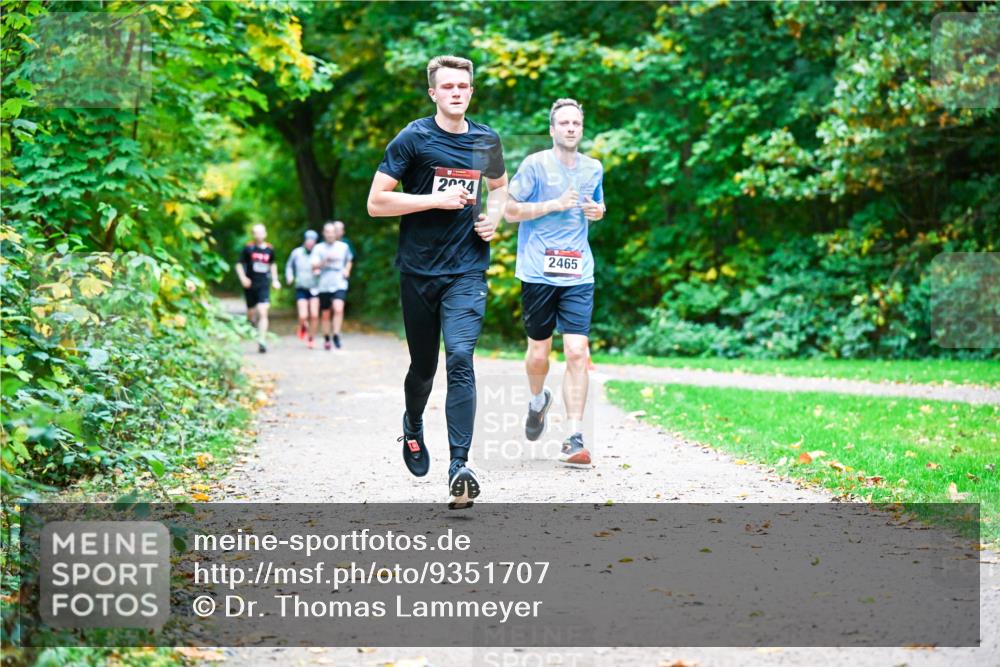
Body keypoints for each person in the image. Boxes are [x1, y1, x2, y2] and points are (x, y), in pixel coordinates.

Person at [367, 55, 507, 509]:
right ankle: (412, 423)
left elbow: (500, 188)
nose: (456, 93)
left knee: (461, 358)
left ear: (471, 91)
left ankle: (459, 467)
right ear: (433, 93)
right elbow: (376, 203)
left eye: (463, 86)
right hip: (419, 270)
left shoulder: (486, 139)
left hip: (467, 268)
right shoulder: (414, 138)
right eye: (447, 87)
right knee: (424, 367)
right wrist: (434, 199)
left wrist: (494, 220)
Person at [502, 98, 605, 466]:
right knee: (539, 353)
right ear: (552, 129)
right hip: (537, 272)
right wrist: (554, 204)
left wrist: (597, 210)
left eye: (576, 122)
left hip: (578, 273)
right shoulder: (534, 165)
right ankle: (536, 399)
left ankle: (574, 437)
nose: (571, 128)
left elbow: (596, 207)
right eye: (564, 123)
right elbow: (510, 211)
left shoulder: (594, 168)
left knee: (578, 351)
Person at [236, 223, 281, 354]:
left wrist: (275, 280)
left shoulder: (269, 249)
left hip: (263, 285)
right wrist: (243, 278)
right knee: (251, 312)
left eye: (261, 232)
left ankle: (262, 340)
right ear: (253, 235)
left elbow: (272, 264)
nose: (259, 235)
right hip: (250, 285)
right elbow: (239, 264)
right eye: (256, 232)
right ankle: (251, 322)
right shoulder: (248, 248)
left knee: (263, 311)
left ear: (265, 234)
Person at [311, 221, 353, 350]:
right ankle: (326, 337)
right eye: (327, 232)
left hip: (339, 281)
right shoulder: (318, 248)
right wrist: (324, 261)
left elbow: (349, 260)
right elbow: (313, 265)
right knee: (325, 313)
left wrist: (347, 270)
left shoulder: (343, 247)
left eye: (332, 232)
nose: (330, 234)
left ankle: (336, 334)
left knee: (339, 308)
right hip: (324, 283)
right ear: (323, 233)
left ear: (336, 233)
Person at [286, 229, 320, 348]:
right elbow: (289, 266)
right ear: (305, 240)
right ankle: (303, 326)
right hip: (301, 287)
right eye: (308, 240)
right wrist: (290, 277)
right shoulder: (297, 252)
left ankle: (311, 338)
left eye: (313, 240)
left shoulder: (319, 253)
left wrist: (319, 271)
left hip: (315, 287)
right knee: (303, 315)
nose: (310, 243)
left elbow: (325, 267)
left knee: (314, 315)